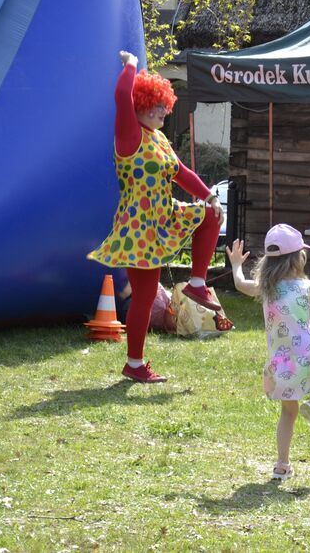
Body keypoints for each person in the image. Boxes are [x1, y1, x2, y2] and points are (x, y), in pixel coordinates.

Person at [88, 51, 224, 384]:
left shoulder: (159, 138)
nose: (165, 110)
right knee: (145, 298)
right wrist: (131, 64)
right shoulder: (129, 134)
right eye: (158, 105)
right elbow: (121, 95)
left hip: (164, 214)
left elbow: (182, 173)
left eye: (165, 105)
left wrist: (208, 194)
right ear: (142, 104)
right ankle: (135, 364)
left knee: (211, 213)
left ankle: (196, 284)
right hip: (138, 227)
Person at [226, 226, 310, 480]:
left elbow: (241, 284)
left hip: (281, 365)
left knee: (288, 412)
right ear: (298, 258)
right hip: (308, 355)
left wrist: (235, 264)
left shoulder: (266, 287)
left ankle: (281, 466)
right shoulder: (308, 287)